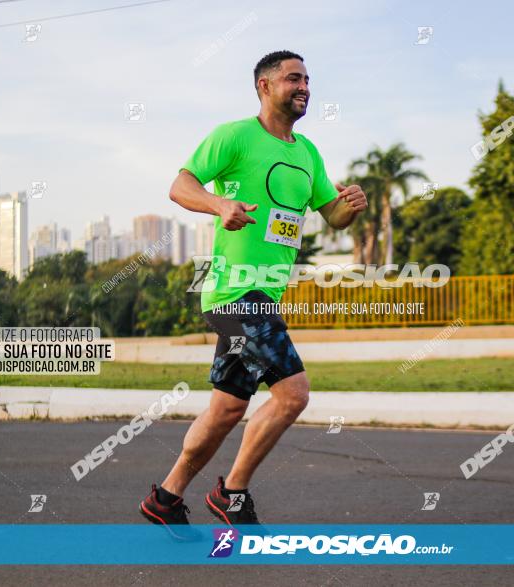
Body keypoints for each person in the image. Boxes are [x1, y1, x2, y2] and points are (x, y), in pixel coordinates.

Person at [139, 50, 367, 529]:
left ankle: (166, 496)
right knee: (293, 394)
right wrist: (219, 205)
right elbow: (180, 186)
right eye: (292, 78)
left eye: (307, 78)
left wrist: (351, 205)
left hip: (265, 294)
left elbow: (333, 214)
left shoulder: (307, 152)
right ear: (264, 86)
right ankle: (232, 492)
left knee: (226, 407)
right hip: (232, 292)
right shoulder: (234, 136)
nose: (304, 86)